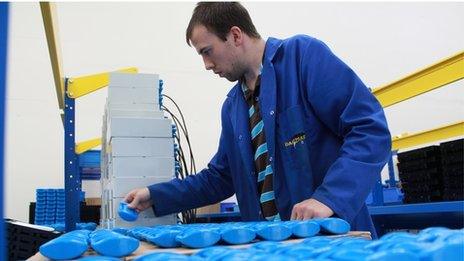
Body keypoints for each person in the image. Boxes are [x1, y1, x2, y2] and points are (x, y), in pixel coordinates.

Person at [124, 2, 391, 238]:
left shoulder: (303, 58)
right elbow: (219, 178)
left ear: (235, 35)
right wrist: (155, 195)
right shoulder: (233, 107)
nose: (206, 64)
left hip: (330, 239)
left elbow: (369, 129)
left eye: (207, 51)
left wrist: (329, 198)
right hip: (271, 246)